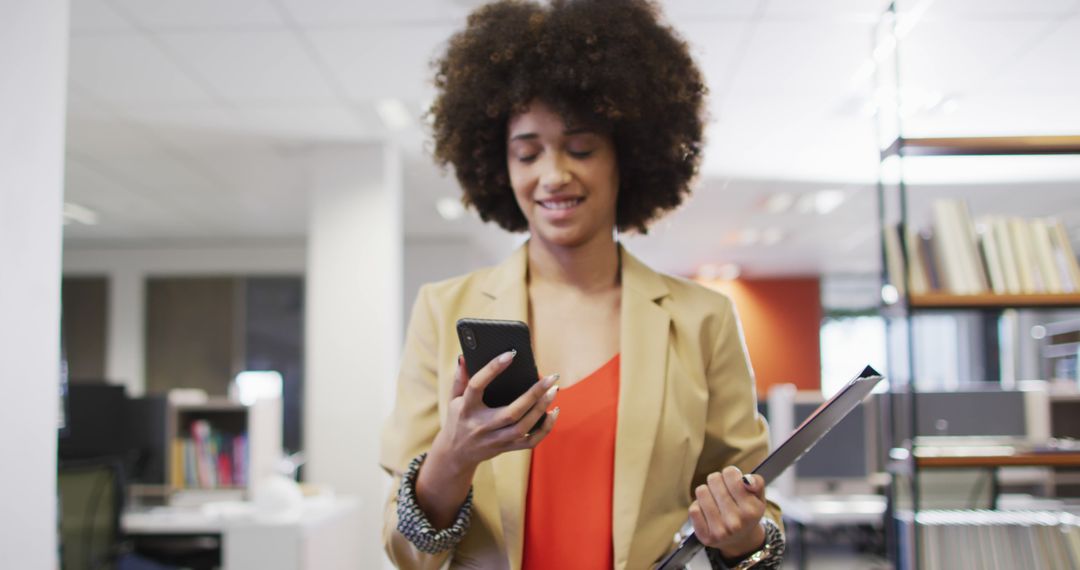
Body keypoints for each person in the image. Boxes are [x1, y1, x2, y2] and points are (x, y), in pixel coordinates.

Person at [380, 1, 785, 568]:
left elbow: (758, 514)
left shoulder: (702, 320)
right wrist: (452, 457)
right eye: (527, 153)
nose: (553, 175)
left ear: (629, 156)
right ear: (500, 166)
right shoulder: (442, 310)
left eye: (581, 148)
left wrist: (744, 535)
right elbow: (405, 552)